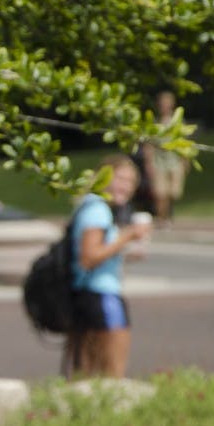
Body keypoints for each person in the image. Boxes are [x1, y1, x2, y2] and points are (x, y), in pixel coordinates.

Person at [63, 154, 150, 379]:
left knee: (88, 374)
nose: (126, 186)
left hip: (91, 296)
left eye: (131, 182)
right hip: (100, 297)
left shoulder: (93, 206)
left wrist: (125, 250)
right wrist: (127, 236)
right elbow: (89, 257)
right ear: (104, 178)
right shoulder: (97, 209)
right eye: (120, 179)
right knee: (111, 376)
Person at [142, 90, 189, 225]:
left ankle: (167, 213)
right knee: (160, 193)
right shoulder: (154, 124)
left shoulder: (178, 122)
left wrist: (185, 160)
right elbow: (148, 145)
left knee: (174, 192)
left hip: (175, 161)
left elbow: (184, 143)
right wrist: (148, 163)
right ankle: (163, 217)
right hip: (158, 162)